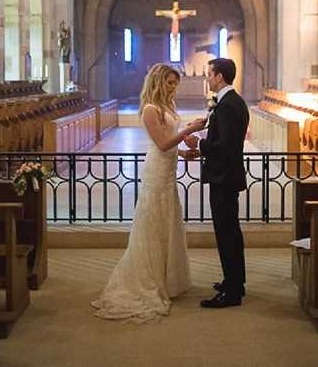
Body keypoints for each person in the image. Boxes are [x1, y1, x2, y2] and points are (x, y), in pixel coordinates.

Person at [92, 63, 205, 322]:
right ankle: (150, 279)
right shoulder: (150, 110)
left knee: (168, 223)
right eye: (169, 83)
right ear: (157, 82)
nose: (174, 88)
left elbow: (171, 143)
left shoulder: (167, 108)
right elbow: (163, 143)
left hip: (168, 172)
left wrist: (186, 152)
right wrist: (189, 130)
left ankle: (167, 279)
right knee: (153, 225)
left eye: (175, 83)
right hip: (156, 172)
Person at [193, 57, 249, 308]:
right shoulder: (232, 101)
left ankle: (233, 292)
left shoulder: (227, 106)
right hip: (227, 175)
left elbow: (225, 148)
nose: (207, 78)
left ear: (219, 77)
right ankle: (234, 281)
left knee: (226, 234)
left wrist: (199, 144)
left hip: (223, 177)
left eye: (209, 74)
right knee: (231, 232)